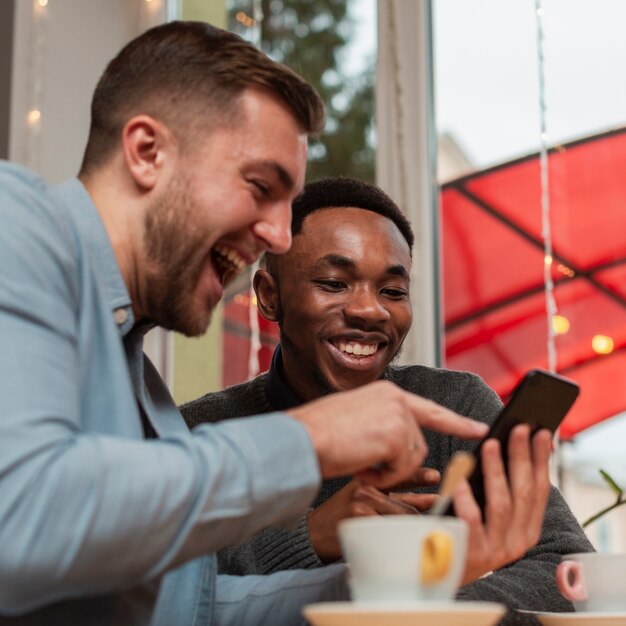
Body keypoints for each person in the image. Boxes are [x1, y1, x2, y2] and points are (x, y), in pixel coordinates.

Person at [0, 22, 491, 626]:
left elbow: (192, 609)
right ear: (147, 152)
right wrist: (310, 440)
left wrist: (411, 579)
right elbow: (21, 514)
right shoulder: (15, 223)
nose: (279, 236)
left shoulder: (145, 392)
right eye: (260, 186)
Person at [181, 176, 594, 624]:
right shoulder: (199, 431)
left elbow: (569, 568)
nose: (370, 310)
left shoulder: (454, 406)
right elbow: (158, 592)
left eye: (393, 291)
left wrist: (423, 608)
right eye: (334, 283)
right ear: (268, 295)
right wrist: (313, 536)